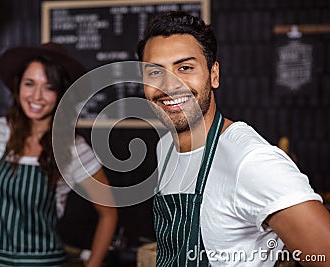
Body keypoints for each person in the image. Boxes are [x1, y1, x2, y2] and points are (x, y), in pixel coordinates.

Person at [137, 11, 330, 266]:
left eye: (185, 68)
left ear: (213, 75)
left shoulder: (250, 160)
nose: (169, 85)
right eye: (154, 72)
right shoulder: (165, 147)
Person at [0, 42, 117, 267]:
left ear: (61, 94)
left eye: (48, 87)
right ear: (18, 87)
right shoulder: (1, 130)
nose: (36, 96)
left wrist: (93, 264)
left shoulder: (73, 148)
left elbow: (109, 213)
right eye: (30, 84)